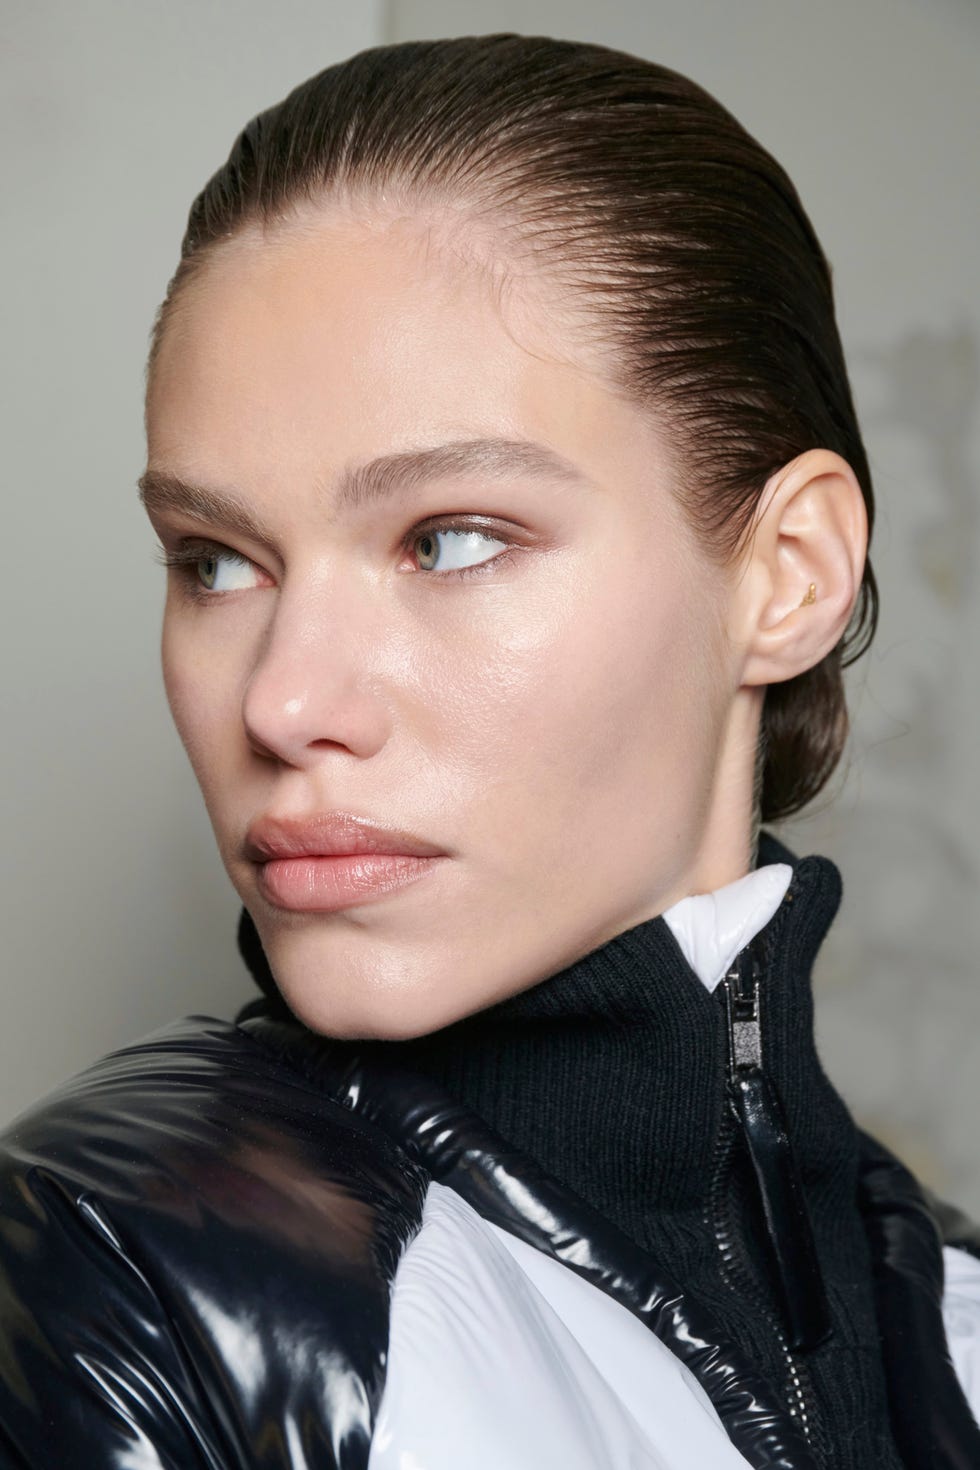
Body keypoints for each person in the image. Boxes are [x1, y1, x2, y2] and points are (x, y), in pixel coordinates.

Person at [0, 31, 978, 1470]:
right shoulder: (121, 1272)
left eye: (447, 539)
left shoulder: (943, 1298)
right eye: (214, 559)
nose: (281, 701)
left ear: (788, 573)